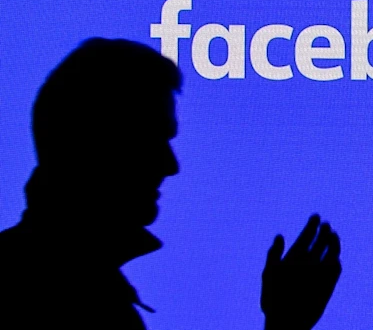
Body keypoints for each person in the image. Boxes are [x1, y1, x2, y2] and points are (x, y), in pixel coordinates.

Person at [0, 38, 342, 329]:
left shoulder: (58, 282)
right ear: (91, 143)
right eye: (150, 140)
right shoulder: (77, 301)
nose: (170, 165)